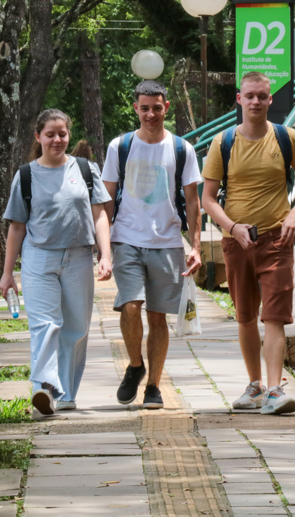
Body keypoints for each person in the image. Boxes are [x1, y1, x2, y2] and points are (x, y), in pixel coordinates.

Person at [201, 72, 295, 415]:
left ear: (270, 100)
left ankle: (275, 390)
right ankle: (255, 386)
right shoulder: (223, 142)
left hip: (277, 239)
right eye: (249, 96)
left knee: (275, 316)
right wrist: (232, 227)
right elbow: (208, 198)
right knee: (246, 316)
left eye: (261, 96)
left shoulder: (286, 137)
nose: (255, 102)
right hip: (237, 242)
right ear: (239, 99)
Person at [0, 109, 113, 416]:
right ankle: (43, 387)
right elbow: (17, 227)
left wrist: (105, 254)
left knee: (76, 328)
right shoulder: (26, 175)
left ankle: (65, 393)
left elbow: (99, 214)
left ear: (68, 135)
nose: (57, 140)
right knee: (45, 325)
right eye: (50, 134)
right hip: (39, 258)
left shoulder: (86, 169)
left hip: (78, 257)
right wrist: (8, 273)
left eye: (62, 133)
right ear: (38, 137)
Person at [101, 80, 202, 410]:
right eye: (144, 108)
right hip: (126, 238)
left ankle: (154, 386)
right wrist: (103, 246)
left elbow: (192, 202)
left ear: (166, 108)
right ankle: (134, 366)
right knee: (131, 305)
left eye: (156, 108)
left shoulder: (182, 149)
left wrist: (195, 246)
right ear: (136, 109)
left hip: (168, 242)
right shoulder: (120, 146)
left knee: (158, 319)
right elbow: (105, 198)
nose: (150, 114)